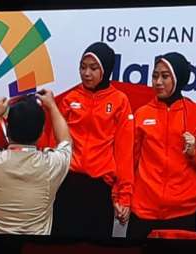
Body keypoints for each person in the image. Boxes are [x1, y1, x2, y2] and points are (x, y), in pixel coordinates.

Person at [127, 52, 196, 239]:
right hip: (142, 211)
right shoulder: (142, 114)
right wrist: (123, 197)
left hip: (182, 213)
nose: (158, 82)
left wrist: (195, 153)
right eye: (155, 76)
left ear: (178, 78)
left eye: (165, 76)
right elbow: (129, 160)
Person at [51, 42, 134, 239]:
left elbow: (124, 153)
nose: (86, 73)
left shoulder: (120, 101)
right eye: (83, 66)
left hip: (99, 190)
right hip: (67, 185)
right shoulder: (70, 99)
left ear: (105, 70)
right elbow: (55, 144)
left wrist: (124, 196)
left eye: (93, 68)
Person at [0, 89, 72, 234]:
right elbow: (66, 142)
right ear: (41, 133)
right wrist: (52, 106)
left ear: (7, 131)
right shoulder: (51, 166)